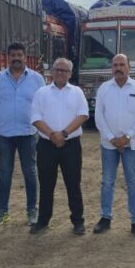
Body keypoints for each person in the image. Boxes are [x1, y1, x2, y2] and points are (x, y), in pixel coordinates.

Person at [30, 58, 89, 235]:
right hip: (46, 145)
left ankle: (78, 221)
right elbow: (35, 118)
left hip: (71, 145)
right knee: (46, 185)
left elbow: (83, 115)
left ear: (70, 74)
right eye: (57, 69)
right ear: (52, 72)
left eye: (64, 70)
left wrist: (63, 134)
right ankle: (43, 220)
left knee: (73, 184)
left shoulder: (77, 92)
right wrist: (52, 135)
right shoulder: (42, 92)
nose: (60, 73)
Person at [94, 54, 135, 238]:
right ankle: (105, 217)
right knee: (107, 182)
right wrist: (112, 138)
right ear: (112, 68)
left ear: (129, 67)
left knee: (133, 182)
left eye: (122, 65)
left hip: (131, 144)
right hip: (108, 144)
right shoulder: (104, 88)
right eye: (115, 65)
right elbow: (99, 116)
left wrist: (127, 137)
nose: (118, 68)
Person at [0, 42, 46, 227]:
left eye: (19, 55)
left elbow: (43, 105)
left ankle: (32, 210)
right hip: (4, 134)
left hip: (28, 133)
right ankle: (2, 211)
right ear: (8, 57)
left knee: (30, 172)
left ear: (25, 57)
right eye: (13, 55)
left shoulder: (37, 79)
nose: (16, 58)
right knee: (5, 173)